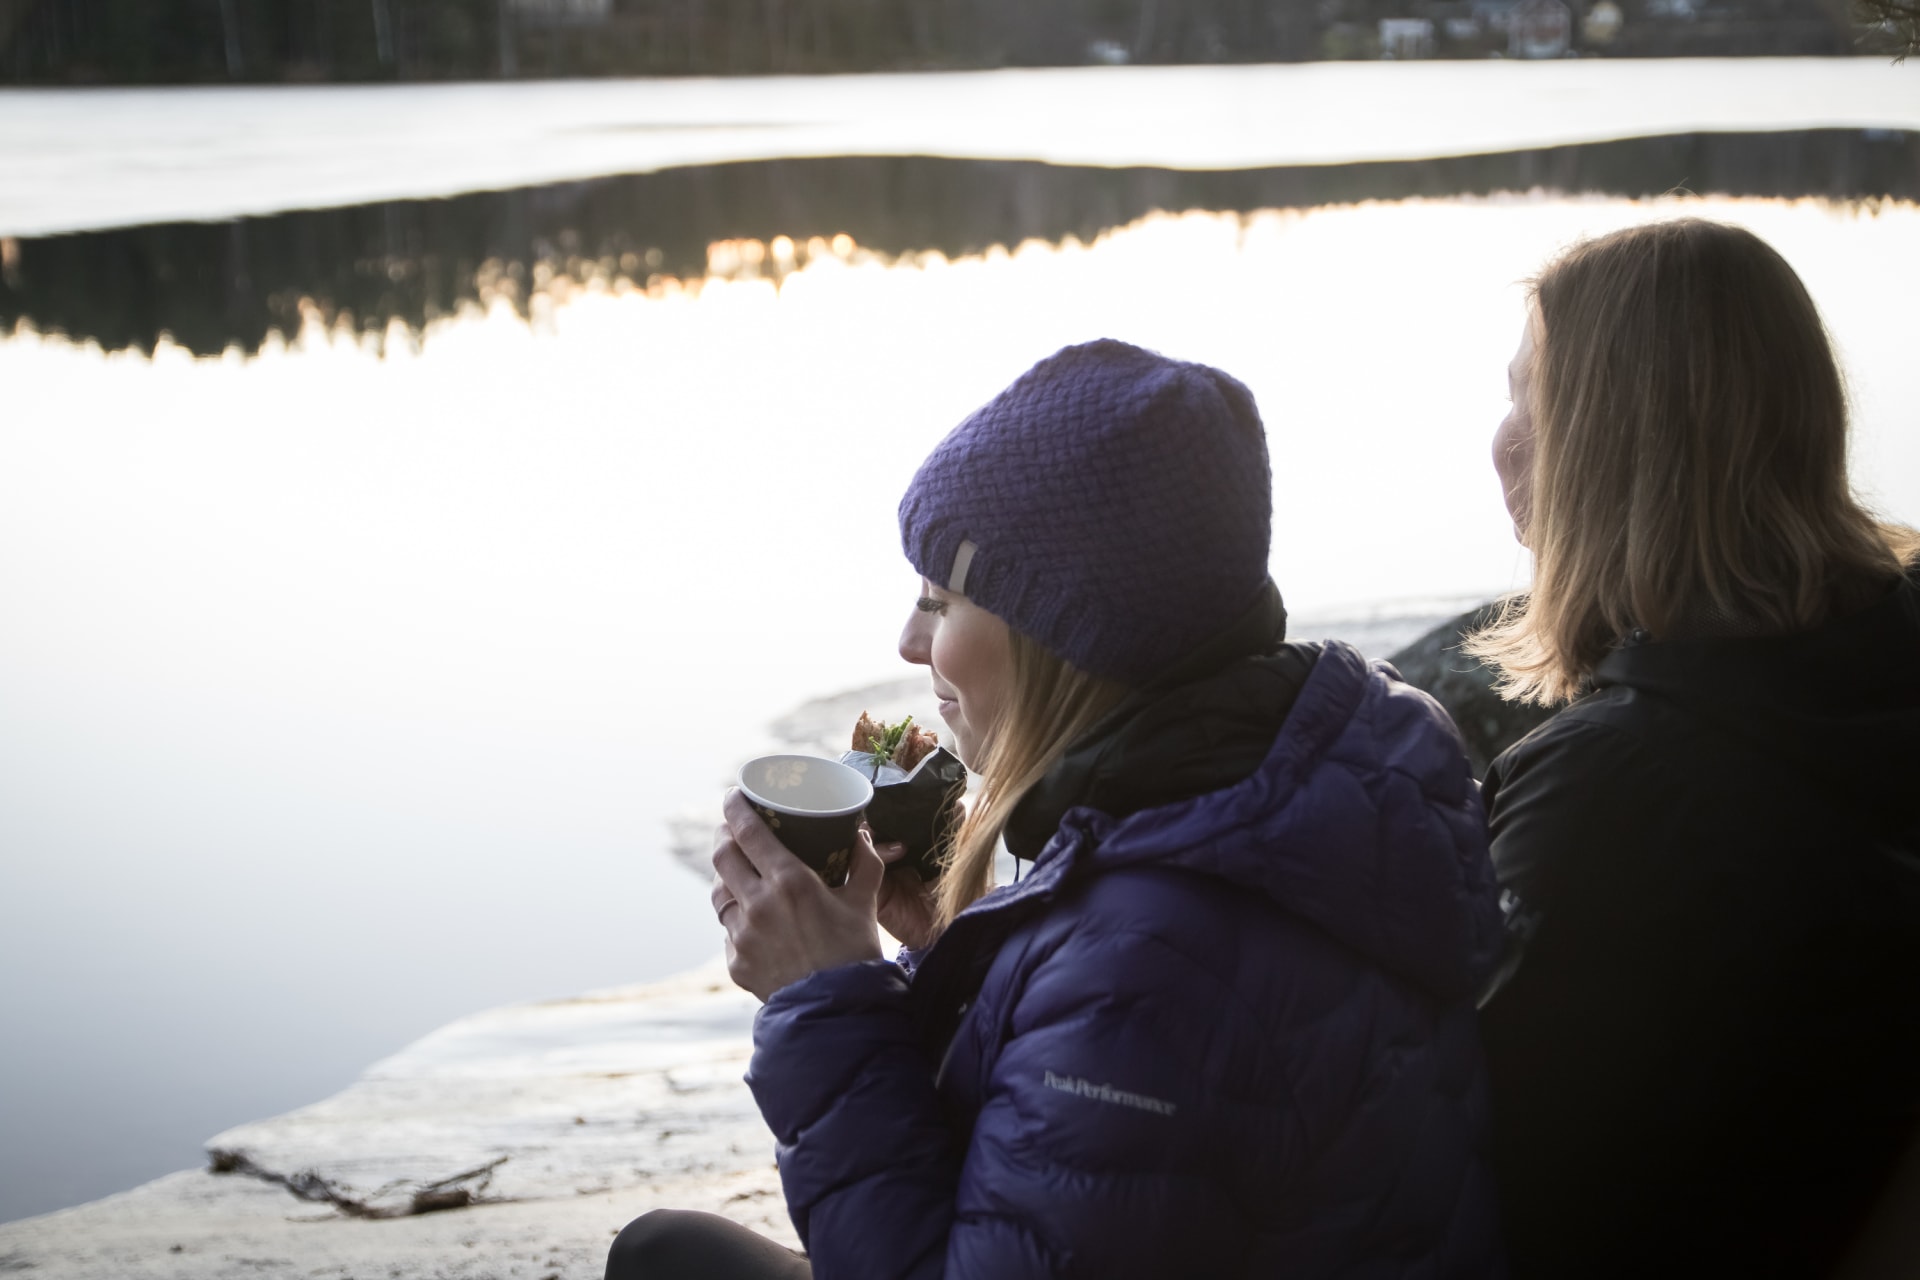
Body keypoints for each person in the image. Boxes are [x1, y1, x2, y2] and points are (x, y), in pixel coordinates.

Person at [607, 340, 1506, 1278]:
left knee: (666, 1262)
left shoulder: (1156, 959)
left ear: (1063, 637)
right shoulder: (1264, 800)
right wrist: (951, 946)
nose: (910, 642)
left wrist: (820, 1000)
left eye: (940, 601)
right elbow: (1066, 1175)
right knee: (674, 1251)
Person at [1469, 218, 1920, 1279]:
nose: (1502, 437)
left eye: (1530, 395)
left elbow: (1477, 1152)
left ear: (1617, 439)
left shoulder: (1610, 795)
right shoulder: (1884, 691)